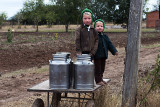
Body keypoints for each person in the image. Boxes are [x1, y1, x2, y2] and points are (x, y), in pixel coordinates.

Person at [94, 19, 118, 85]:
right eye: (98, 26)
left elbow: (110, 44)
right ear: (95, 27)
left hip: (103, 55)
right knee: (98, 69)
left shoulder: (105, 36)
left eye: (101, 26)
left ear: (103, 27)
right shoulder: (94, 36)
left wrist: (114, 51)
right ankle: (98, 80)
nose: (99, 27)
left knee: (102, 68)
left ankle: (101, 79)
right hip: (97, 56)